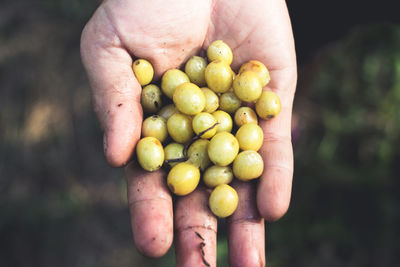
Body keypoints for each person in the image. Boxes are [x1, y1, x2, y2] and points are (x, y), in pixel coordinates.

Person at [80, 0, 297, 266]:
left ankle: (297, 105)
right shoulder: (199, 111)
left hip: (269, 26)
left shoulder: (232, 97)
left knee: (297, 56)